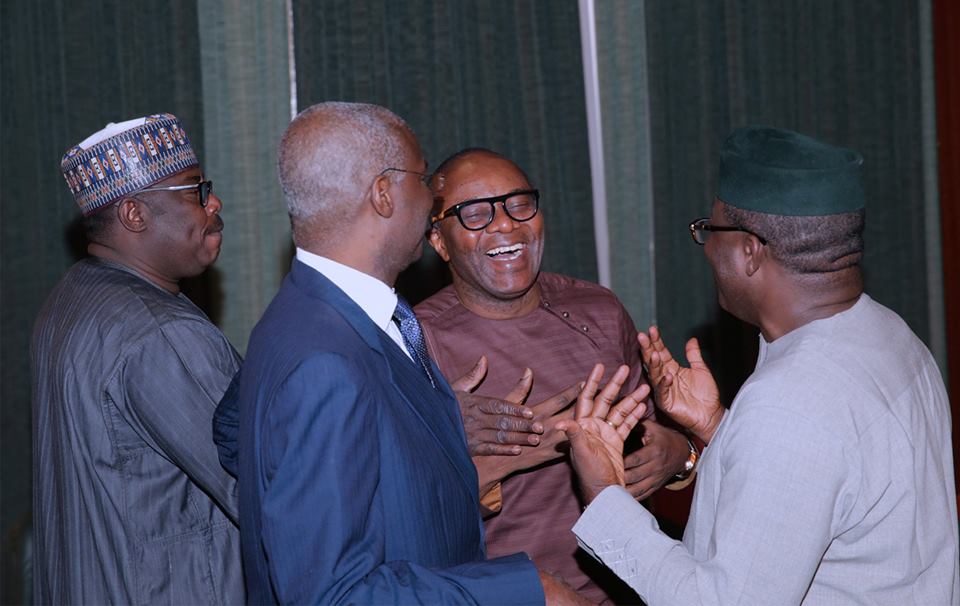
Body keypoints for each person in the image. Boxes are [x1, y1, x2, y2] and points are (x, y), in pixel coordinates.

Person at [221, 102, 638, 604]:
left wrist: (421, 428)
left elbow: (233, 434)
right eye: (424, 182)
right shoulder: (324, 358)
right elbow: (331, 596)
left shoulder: (299, 313)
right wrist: (529, 590)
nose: (430, 199)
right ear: (383, 194)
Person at [559, 125, 960, 604]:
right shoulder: (892, 333)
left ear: (749, 250)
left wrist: (604, 493)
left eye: (709, 231)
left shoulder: (788, 404)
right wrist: (717, 427)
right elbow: (827, 483)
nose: (706, 248)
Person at [416, 148, 695, 603]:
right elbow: (402, 517)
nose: (505, 223)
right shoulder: (415, 343)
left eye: (519, 203)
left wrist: (679, 456)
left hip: (630, 588)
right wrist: (505, 459)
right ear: (439, 241)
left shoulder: (599, 310)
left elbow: (649, 458)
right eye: (474, 214)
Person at [31, 113, 243, 604]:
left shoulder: (68, 299)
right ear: (134, 214)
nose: (214, 204)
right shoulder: (162, 333)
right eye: (194, 190)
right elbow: (262, 485)